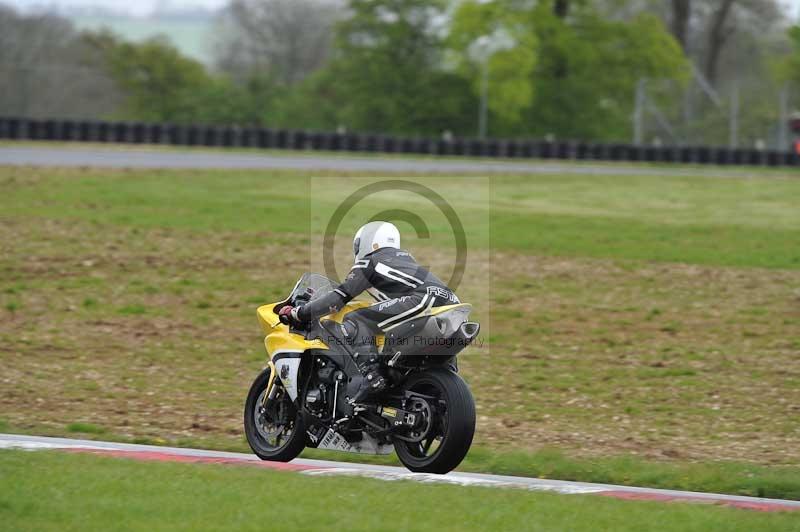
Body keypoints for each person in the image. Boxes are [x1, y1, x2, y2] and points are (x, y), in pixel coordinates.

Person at [278, 221, 460, 402]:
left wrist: (299, 313)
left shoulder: (371, 260)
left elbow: (337, 299)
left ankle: (371, 377)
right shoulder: (403, 260)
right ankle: (445, 388)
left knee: (356, 318)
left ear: (367, 242)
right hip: (451, 301)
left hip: (423, 299)